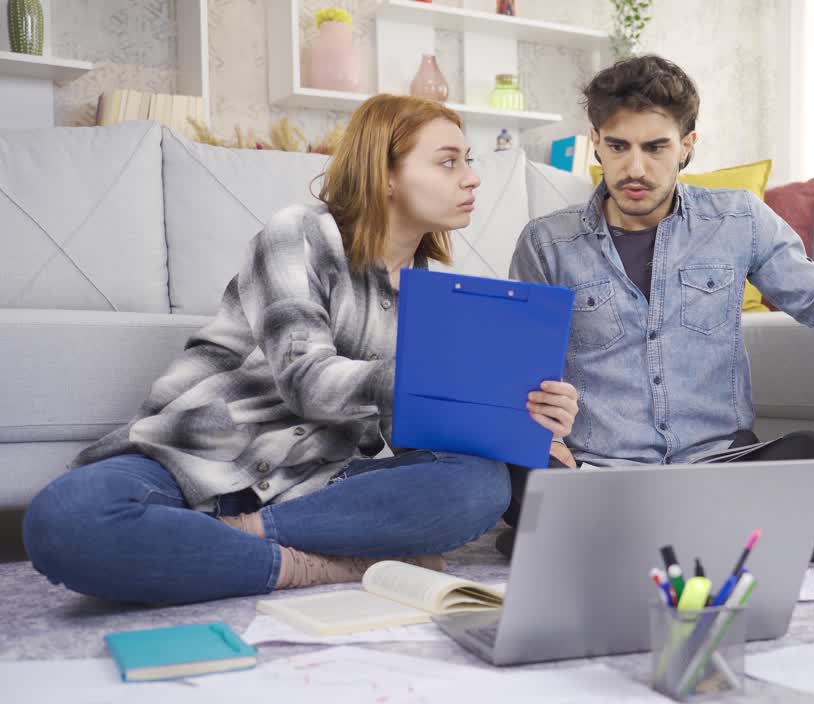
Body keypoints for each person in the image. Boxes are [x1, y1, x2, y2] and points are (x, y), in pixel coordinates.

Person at [22, 95, 580, 605]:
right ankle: (322, 568)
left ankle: (240, 544)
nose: (473, 179)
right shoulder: (299, 233)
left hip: (311, 489)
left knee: (480, 483)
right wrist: (444, 378)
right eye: (449, 161)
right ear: (385, 174)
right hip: (198, 457)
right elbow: (306, 380)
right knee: (65, 519)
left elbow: (415, 433)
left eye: (470, 161)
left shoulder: (432, 295)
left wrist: (524, 421)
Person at [502, 56, 814, 563]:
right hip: (597, 466)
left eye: (656, 147)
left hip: (714, 460)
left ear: (687, 145)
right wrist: (542, 443)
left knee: (807, 455)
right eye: (618, 147)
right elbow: (519, 375)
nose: (635, 169)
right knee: (511, 473)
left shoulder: (739, 219)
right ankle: (711, 532)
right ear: (597, 141)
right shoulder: (547, 243)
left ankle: (601, 535)